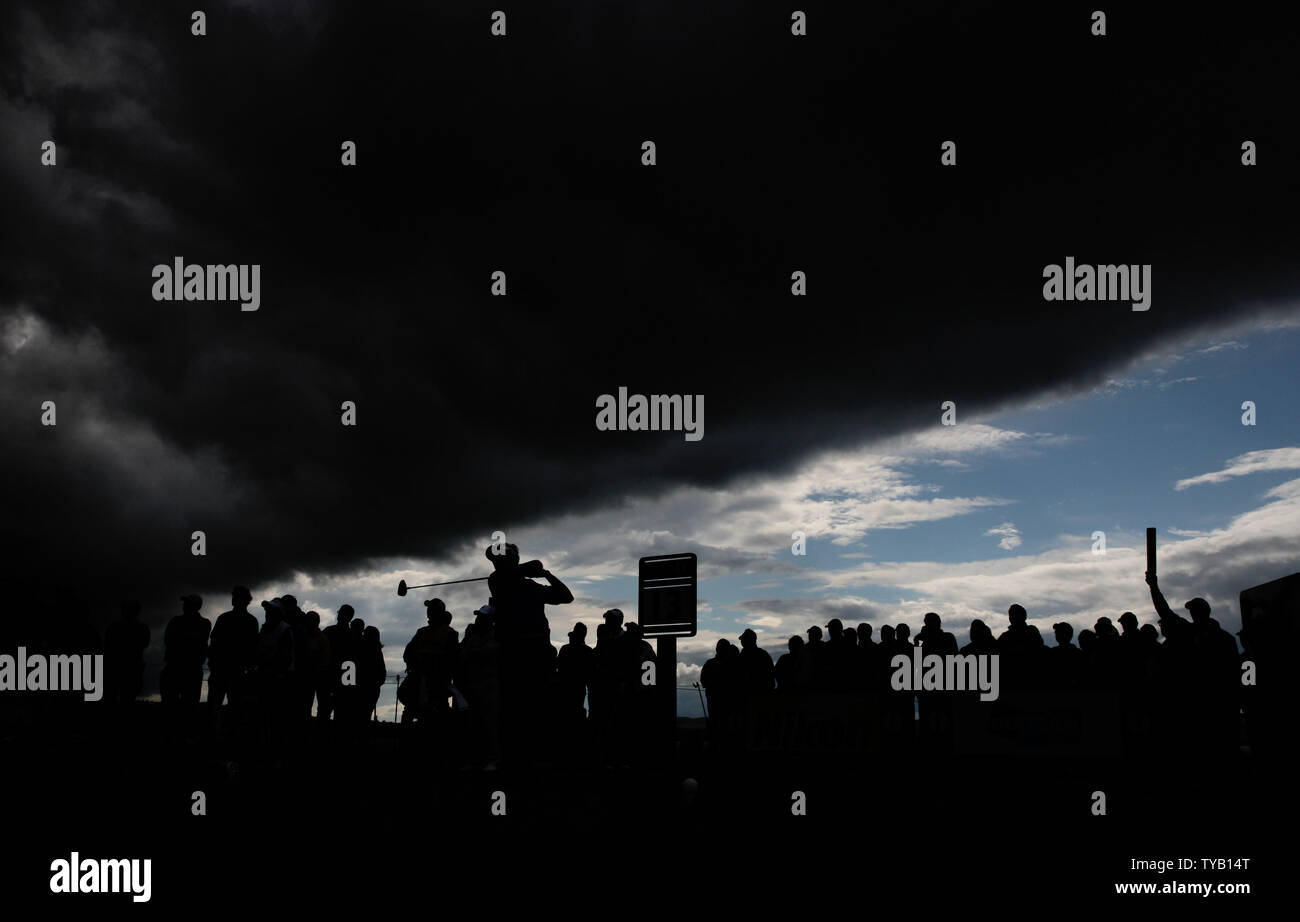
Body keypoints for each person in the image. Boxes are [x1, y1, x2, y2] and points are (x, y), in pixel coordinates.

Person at [485, 543, 573, 763]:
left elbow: (566, 596)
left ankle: (536, 754)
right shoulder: (497, 581)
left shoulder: (532, 587)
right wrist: (531, 568)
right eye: (497, 561)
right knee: (512, 707)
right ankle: (513, 755)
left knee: (538, 705)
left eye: (504, 559)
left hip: (538, 652)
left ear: (513, 560)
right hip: (512, 652)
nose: (499, 563)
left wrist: (546, 574)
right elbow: (506, 574)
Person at [208, 586, 259, 714]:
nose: (233, 600)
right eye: (234, 597)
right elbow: (214, 643)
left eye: (236, 597)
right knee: (219, 707)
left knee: (232, 707)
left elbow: (253, 647)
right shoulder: (248, 620)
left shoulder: (247, 620)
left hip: (234, 671)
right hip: (224, 670)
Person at [161, 595, 211, 714]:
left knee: (189, 706)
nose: (184, 606)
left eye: (187, 604)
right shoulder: (176, 620)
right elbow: (168, 639)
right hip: (174, 668)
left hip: (190, 669)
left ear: (195, 606)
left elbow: (173, 640)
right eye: (185, 604)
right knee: (170, 705)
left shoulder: (203, 623)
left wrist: (182, 639)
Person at [103, 600, 151, 706]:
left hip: (120, 668)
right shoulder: (142, 628)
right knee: (126, 698)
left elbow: (107, 647)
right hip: (125, 668)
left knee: (119, 697)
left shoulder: (114, 627)